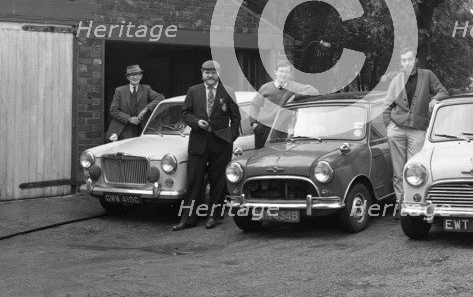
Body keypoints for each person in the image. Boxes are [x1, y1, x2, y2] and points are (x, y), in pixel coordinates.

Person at [173, 60, 241, 231]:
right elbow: (184, 113)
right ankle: (188, 219)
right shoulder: (193, 91)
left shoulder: (228, 91)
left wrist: (230, 137)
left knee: (218, 181)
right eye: (206, 72)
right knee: (194, 181)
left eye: (213, 72)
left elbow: (236, 118)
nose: (210, 76)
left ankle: (214, 216)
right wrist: (196, 122)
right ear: (202, 73)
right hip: (198, 141)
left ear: (218, 73)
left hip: (221, 143)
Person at [383, 47, 448, 214]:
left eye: (409, 60)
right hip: (396, 130)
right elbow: (387, 106)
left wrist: (434, 100)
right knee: (398, 171)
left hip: (418, 130)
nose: (406, 63)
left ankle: (414, 204)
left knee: (414, 169)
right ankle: (402, 206)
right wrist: (389, 127)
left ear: (416, 60)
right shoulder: (396, 80)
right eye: (403, 60)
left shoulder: (427, 75)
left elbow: (443, 92)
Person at [249, 59, 318, 149]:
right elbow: (254, 105)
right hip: (263, 128)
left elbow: (314, 91)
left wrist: (295, 96)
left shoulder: (294, 87)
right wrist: (254, 124)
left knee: (278, 157)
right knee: (260, 158)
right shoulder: (265, 88)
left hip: (281, 130)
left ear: (290, 74)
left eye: (286, 72)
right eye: (281, 71)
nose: (284, 74)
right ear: (275, 72)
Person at [106, 64, 164, 141]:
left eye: (137, 74)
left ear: (141, 76)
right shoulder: (119, 90)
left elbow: (161, 97)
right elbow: (113, 111)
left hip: (141, 127)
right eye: (131, 75)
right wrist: (129, 119)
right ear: (127, 77)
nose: (134, 77)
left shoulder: (146, 89)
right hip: (124, 127)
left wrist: (145, 109)